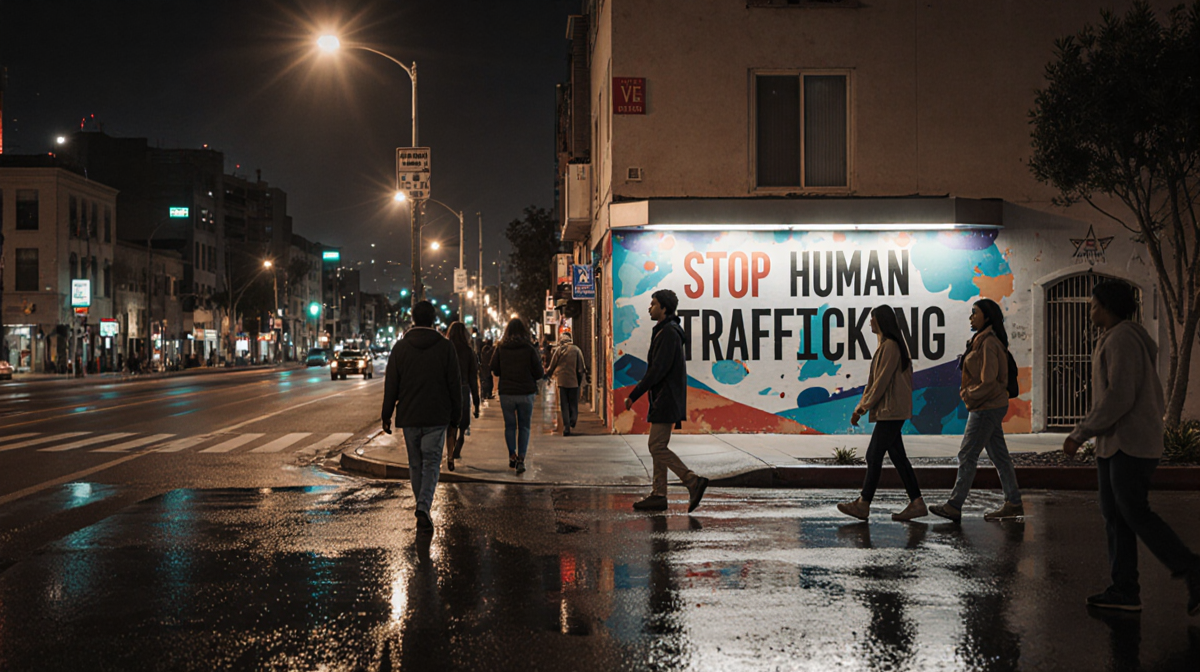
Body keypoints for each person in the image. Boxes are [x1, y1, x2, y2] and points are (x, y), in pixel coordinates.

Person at [1063, 280, 1200, 615]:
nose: (1090, 310)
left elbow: (1119, 396)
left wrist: (1080, 433)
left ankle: (1191, 569)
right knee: (1117, 515)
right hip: (1116, 444)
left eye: (1093, 304)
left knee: (1134, 512)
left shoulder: (1123, 338)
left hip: (1130, 443)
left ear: (1106, 306)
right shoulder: (1117, 337)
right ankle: (1124, 589)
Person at [930, 298, 1023, 523]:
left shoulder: (988, 343)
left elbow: (988, 381)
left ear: (987, 317)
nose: (971, 317)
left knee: (967, 454)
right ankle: (1013, 502)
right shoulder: (981, 340)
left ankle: (954, 505)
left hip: (986, 406)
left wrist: (968, 396)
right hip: (990, 404)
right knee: (999, 457)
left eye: (975, 313)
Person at [837, 305, 926, 522]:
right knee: (898, 457)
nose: (870, 322)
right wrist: (861, 405)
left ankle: (863, 504)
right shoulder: (887, 346)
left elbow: (880, 383)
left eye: (872, 318)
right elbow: (874, 382)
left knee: (873, 455)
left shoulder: (890, 347)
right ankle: (917, 503)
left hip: (891, 411)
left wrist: (862, 408)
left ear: (881, 321)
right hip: (892, 410)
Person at [625, 289, 709, 512]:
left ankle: (692, 480)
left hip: (666, 398)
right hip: (664, 397)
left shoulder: (669, 333)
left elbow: (657, 370)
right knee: (658, 446)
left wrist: (634, 395)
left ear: (664, 308)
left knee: (656, 446)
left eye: (653, 304)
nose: (649, 308)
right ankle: (659, 494)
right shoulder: (665, 331)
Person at [381, 300, 463, 531]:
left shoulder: (400, 348)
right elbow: (454, 384)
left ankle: (422, 506)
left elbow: (391, 385)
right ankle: (423, 507)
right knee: (431, 463)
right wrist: (456, 416)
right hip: (437, 415)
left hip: (409, 415)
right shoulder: (446, 347)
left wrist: (386, 415)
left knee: (415, 464)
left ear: (413, 319)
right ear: (433, 320)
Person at [489, 318, 544, 474]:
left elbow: (494, 369)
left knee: (510, 426)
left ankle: (512, 455)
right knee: (524, 426)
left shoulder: (501, 348)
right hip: (526, 392)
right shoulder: (529, 348)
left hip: (507, 392)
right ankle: (521, 459)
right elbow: (539, 373)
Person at [444, 321, 480, 472]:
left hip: (448, 390)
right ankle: (461, 439)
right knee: (462, 422)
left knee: (450, 425)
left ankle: (450, 454)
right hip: (463, 389)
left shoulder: (446, 350)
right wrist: (476, 402)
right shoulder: (469, 352)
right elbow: (473, 379)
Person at [546, 331, 589, 436]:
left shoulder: (559, 350)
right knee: (573, 403)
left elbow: (552, 366)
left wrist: (548, 375)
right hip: (574, 381)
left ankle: (566, 427)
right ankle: (573, 419)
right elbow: (581, 368)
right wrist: (580, 380)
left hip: (561, 381)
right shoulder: (576, 350)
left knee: (564, 404)